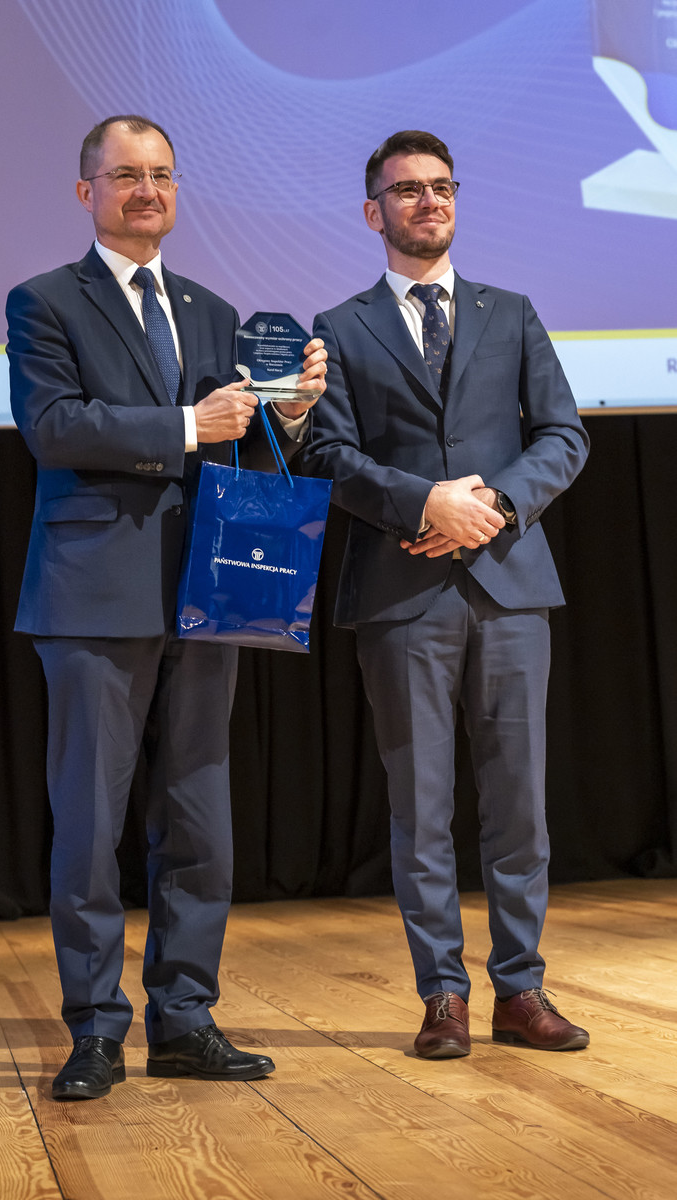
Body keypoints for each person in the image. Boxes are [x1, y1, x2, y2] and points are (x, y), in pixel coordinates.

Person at [6, 114, 326, 1099]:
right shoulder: (44, 301)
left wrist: (289, 412)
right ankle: (95, 1030)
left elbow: (245, 447)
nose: (147, 190)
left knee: (197, 816)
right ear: (87, 192)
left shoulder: (215, 311)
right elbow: (54, 428)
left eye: (162, 175)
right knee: (90, 821)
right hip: (92, 594)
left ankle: (184, 1019)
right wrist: (189, 422)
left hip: (205, 591)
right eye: (126, 175)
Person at [305, 130, 590, 1059]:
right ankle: (442, 996)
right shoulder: (338, 326)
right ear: (373, 212)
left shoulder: (512, 312)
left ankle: (521, 990)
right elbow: (325, 452)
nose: (428, 201)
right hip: (401, 593)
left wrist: (493, 505)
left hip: (508, 588)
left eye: (441, 187)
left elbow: (562, 435)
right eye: (407, 190)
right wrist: (424, 501)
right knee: (420, 806)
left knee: (518, 804)